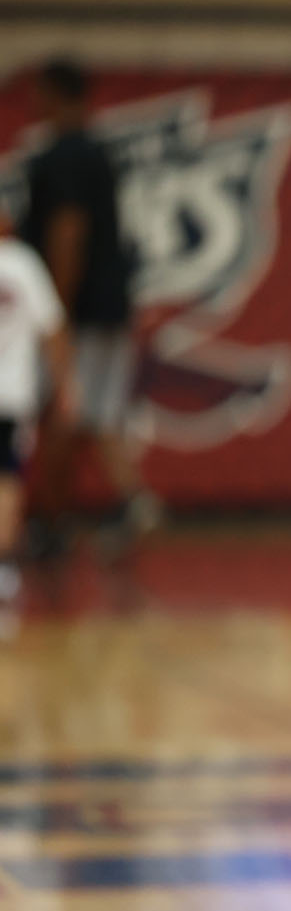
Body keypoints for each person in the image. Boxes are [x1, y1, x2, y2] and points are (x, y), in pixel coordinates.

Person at [19, 56, 160, 559]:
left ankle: (48, 526)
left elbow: (68, 232)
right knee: (96, 416)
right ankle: (128, 501)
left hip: (78, 310)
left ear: (54, 93)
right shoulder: (98, 154)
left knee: (62, 411)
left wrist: (52, 308)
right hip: (108, 306)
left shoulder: (61, 158)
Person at [0, 211, 74, 636]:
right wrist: (66, 384)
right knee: (7, 477)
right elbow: (53, 327)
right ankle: (4, 561)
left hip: (12, 393)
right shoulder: (24, 264)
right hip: (11, 393)